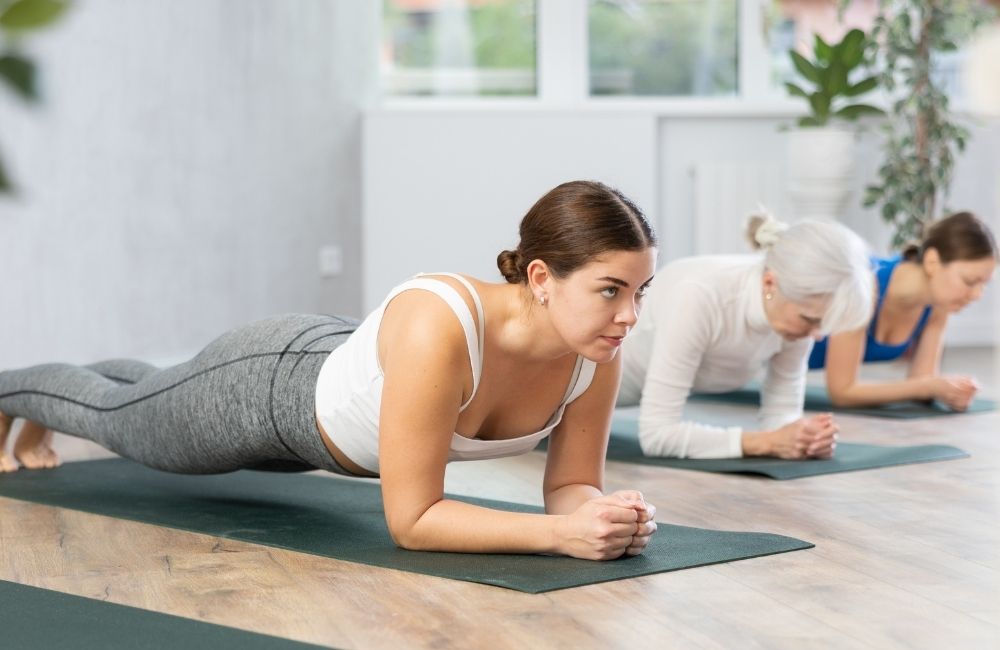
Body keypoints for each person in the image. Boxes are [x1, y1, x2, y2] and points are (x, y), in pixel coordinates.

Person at [0, 180, 659, 561]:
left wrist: (604, 517)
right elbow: (413, 521)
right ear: (542, 278)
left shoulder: (595, 348)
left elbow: (572, 483)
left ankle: (95, 383)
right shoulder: (442, 326)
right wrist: (557, 536)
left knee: (145, 394)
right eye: (611, 290)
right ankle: (14, 390)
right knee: (127, 425)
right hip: (268, 388)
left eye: (640, 292)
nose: (629, 315)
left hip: (328, 413)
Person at [616, 212, 873, 460]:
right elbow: (657, 435)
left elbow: (781, 414)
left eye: (824, 324)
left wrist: (803, 438)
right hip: (581, 396)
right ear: (770, 283)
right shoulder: (699, 297)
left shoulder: (794, 313)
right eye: (810, 320)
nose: (816, 336)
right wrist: (766, 443)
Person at [808, 212, 997, 410]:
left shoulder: (937, 306)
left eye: (984, 285)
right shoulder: (863, 285)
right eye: (970, 281)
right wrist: (928, 386)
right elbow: (842, 392)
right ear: (932, 262)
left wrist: (948, 391)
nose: (977, 295)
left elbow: (921, 383)